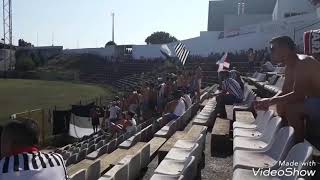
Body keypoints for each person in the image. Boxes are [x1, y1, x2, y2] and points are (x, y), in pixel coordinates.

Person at [254, 36, 320, 143]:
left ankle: (297, 146)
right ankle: (285, 139)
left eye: (273, 48)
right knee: (280, 105)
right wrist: (269, 101)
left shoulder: (303, 62)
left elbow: (298, 95)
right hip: (312, 100)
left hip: (317, 100)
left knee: (292, 108)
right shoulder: (289, 66)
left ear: (285, 49)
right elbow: (284, 91)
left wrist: (271, 101)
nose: (271, 51)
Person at [0, 119, 68, 180]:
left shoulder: (2, 167)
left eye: (2, 141)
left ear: (9, 143)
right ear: (38, 140)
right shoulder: (57, 160)